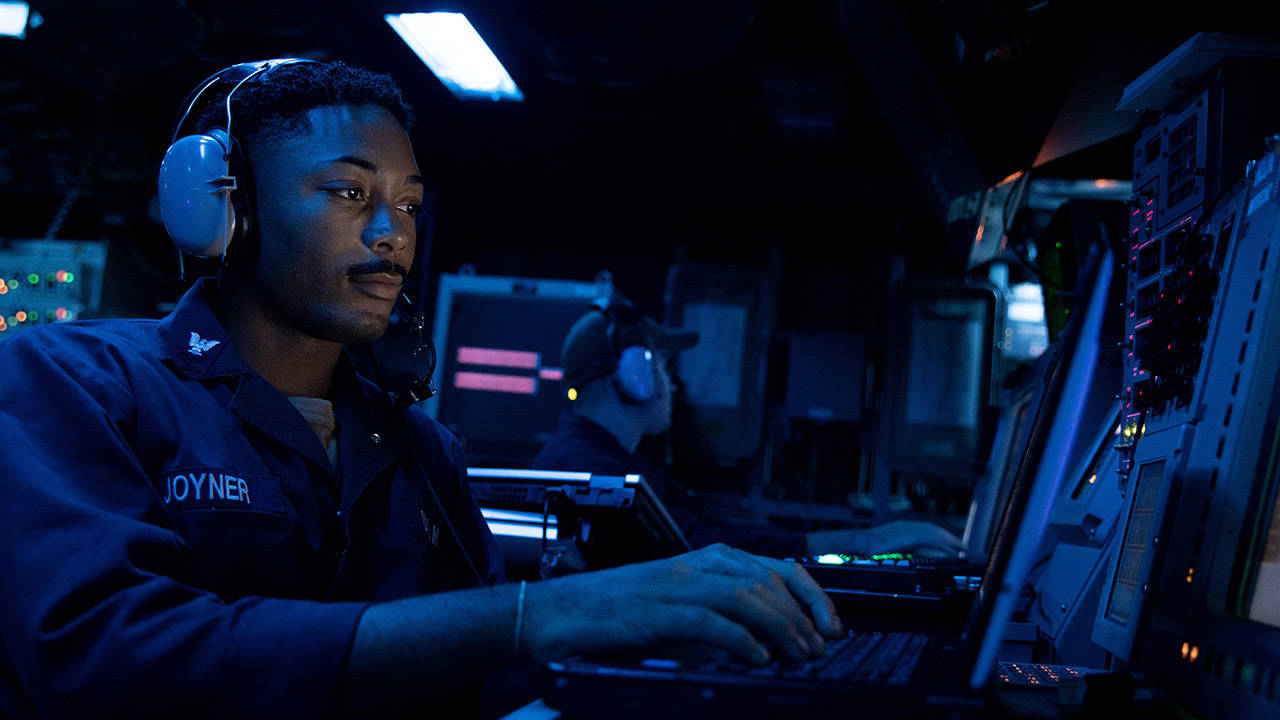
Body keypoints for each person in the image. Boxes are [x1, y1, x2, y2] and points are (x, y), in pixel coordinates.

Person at [0, 60, 841, 719]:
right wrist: (532, 613)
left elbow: (480, 682)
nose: (391, 234)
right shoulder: (75, 383)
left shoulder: (421, 449)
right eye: (350, 192)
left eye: (407, 205)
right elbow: (113, 661)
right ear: (225, 208)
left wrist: (653, 664)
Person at [531, 298, 966, 558]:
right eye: (662, 366)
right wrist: (866, 541)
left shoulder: (608, 460)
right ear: (634, 376)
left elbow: (705, 523)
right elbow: (701, 546)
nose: (674, 383)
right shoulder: (589, 473)